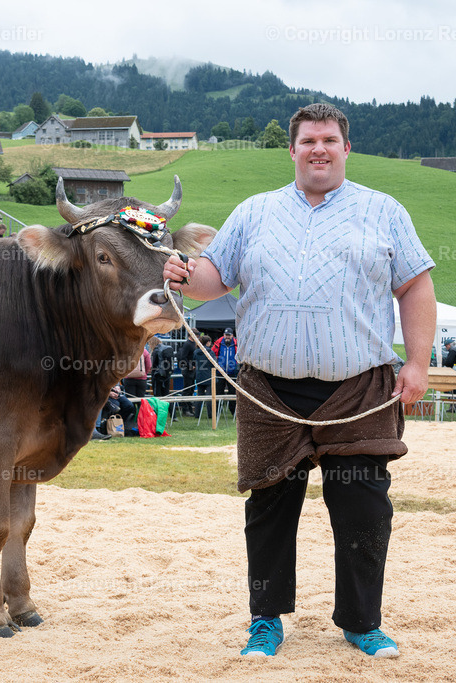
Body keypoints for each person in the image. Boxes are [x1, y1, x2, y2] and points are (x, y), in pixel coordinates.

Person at [163, 103, 436, 659]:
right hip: (269, 386)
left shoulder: (384, 211)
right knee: (268, 507)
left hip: (359, 385)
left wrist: (418, 362)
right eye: (309, 140)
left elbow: (415, 287)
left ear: (345, 148)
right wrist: (185, 275)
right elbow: (215, 280)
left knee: (363, 507)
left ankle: (362, 622)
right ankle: (265, 619)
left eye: (329, 140)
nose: (319, 149)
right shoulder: (254, 212)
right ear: (292, 150)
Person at [211, 329, 238, 415]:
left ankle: (233, 411)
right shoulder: (218, 343)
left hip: (232, 373)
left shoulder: (237, 344)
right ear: (223, 335)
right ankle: (217, 412)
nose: (227, 337)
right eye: (226, 335)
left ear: (232, 335)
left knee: (232, 392)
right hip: (220, 372)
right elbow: (212, 354)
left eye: (229, 335)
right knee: (218, 392)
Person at [178, 330, 199, 417]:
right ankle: (185, 409)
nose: (197, 337)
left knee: (191, 389)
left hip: (192, 370)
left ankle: (189, 408)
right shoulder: (187, 344)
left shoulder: (193, 344)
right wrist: (190, 366)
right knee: (187, 389)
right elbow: (183, 356)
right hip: (187, 370)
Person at [192, 335, 215, 418]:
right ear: (208, 342)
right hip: (209, 376)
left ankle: (197, 414)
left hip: (199, 376)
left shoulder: (196, 352)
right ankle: (211, 415)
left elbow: (194, 363)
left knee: (200, 396)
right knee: (209, 397)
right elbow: (214, 364)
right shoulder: (210, 352)